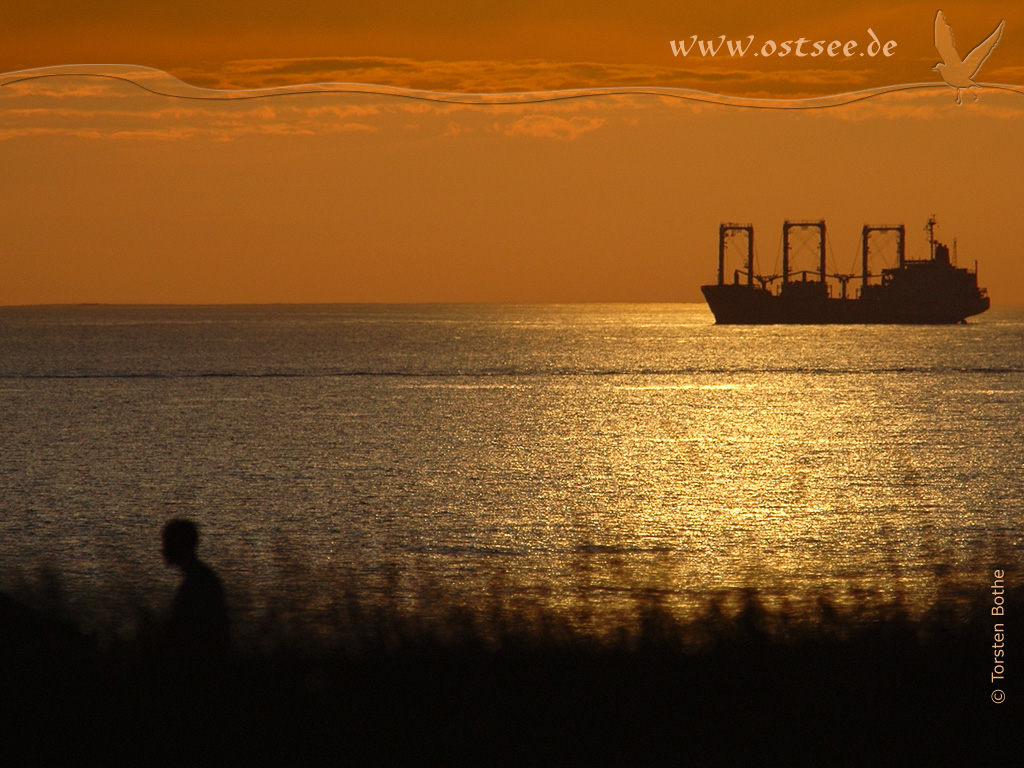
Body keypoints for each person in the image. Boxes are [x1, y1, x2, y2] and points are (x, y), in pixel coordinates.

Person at [161, 518, 230, 657]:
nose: (163, 550)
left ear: (180, 546)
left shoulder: (198, 582)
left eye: (167, 543)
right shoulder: (200, 577)